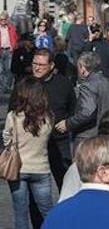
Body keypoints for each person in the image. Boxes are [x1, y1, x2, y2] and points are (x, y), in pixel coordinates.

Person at [5, 78, 54, 229]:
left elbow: (7, 139)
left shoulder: (13, 117)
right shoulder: (48, 118)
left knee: (20, 214)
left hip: (18, 169)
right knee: (47, 212)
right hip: (41, 169)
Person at [27, 49, 76, 188]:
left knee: (65, 181)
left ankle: (66, 209)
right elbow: (12, 112)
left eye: (41, 65)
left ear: (51, 66)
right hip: (32, 142)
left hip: (59, 139)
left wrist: (68, 123)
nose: (37, 67)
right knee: (35, 187)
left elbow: (73, 109)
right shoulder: (25, 84)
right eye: (34, 63)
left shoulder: (64, 84)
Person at [60, 51, 109, 148]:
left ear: (82, 68)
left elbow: (87, 112)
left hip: (89, 137)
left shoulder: (88, 86)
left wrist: (68, 123)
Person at [0, 11, 19, 93]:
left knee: (8, 69)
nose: (3, 21)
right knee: (0, 71)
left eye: (4, 19)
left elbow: (15, 38)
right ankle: (2, 87)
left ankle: (7, 86)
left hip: (8, 50)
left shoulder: (11, 28)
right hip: (1, 50)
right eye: (1, 19)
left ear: (7, 19)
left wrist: (13, 46)